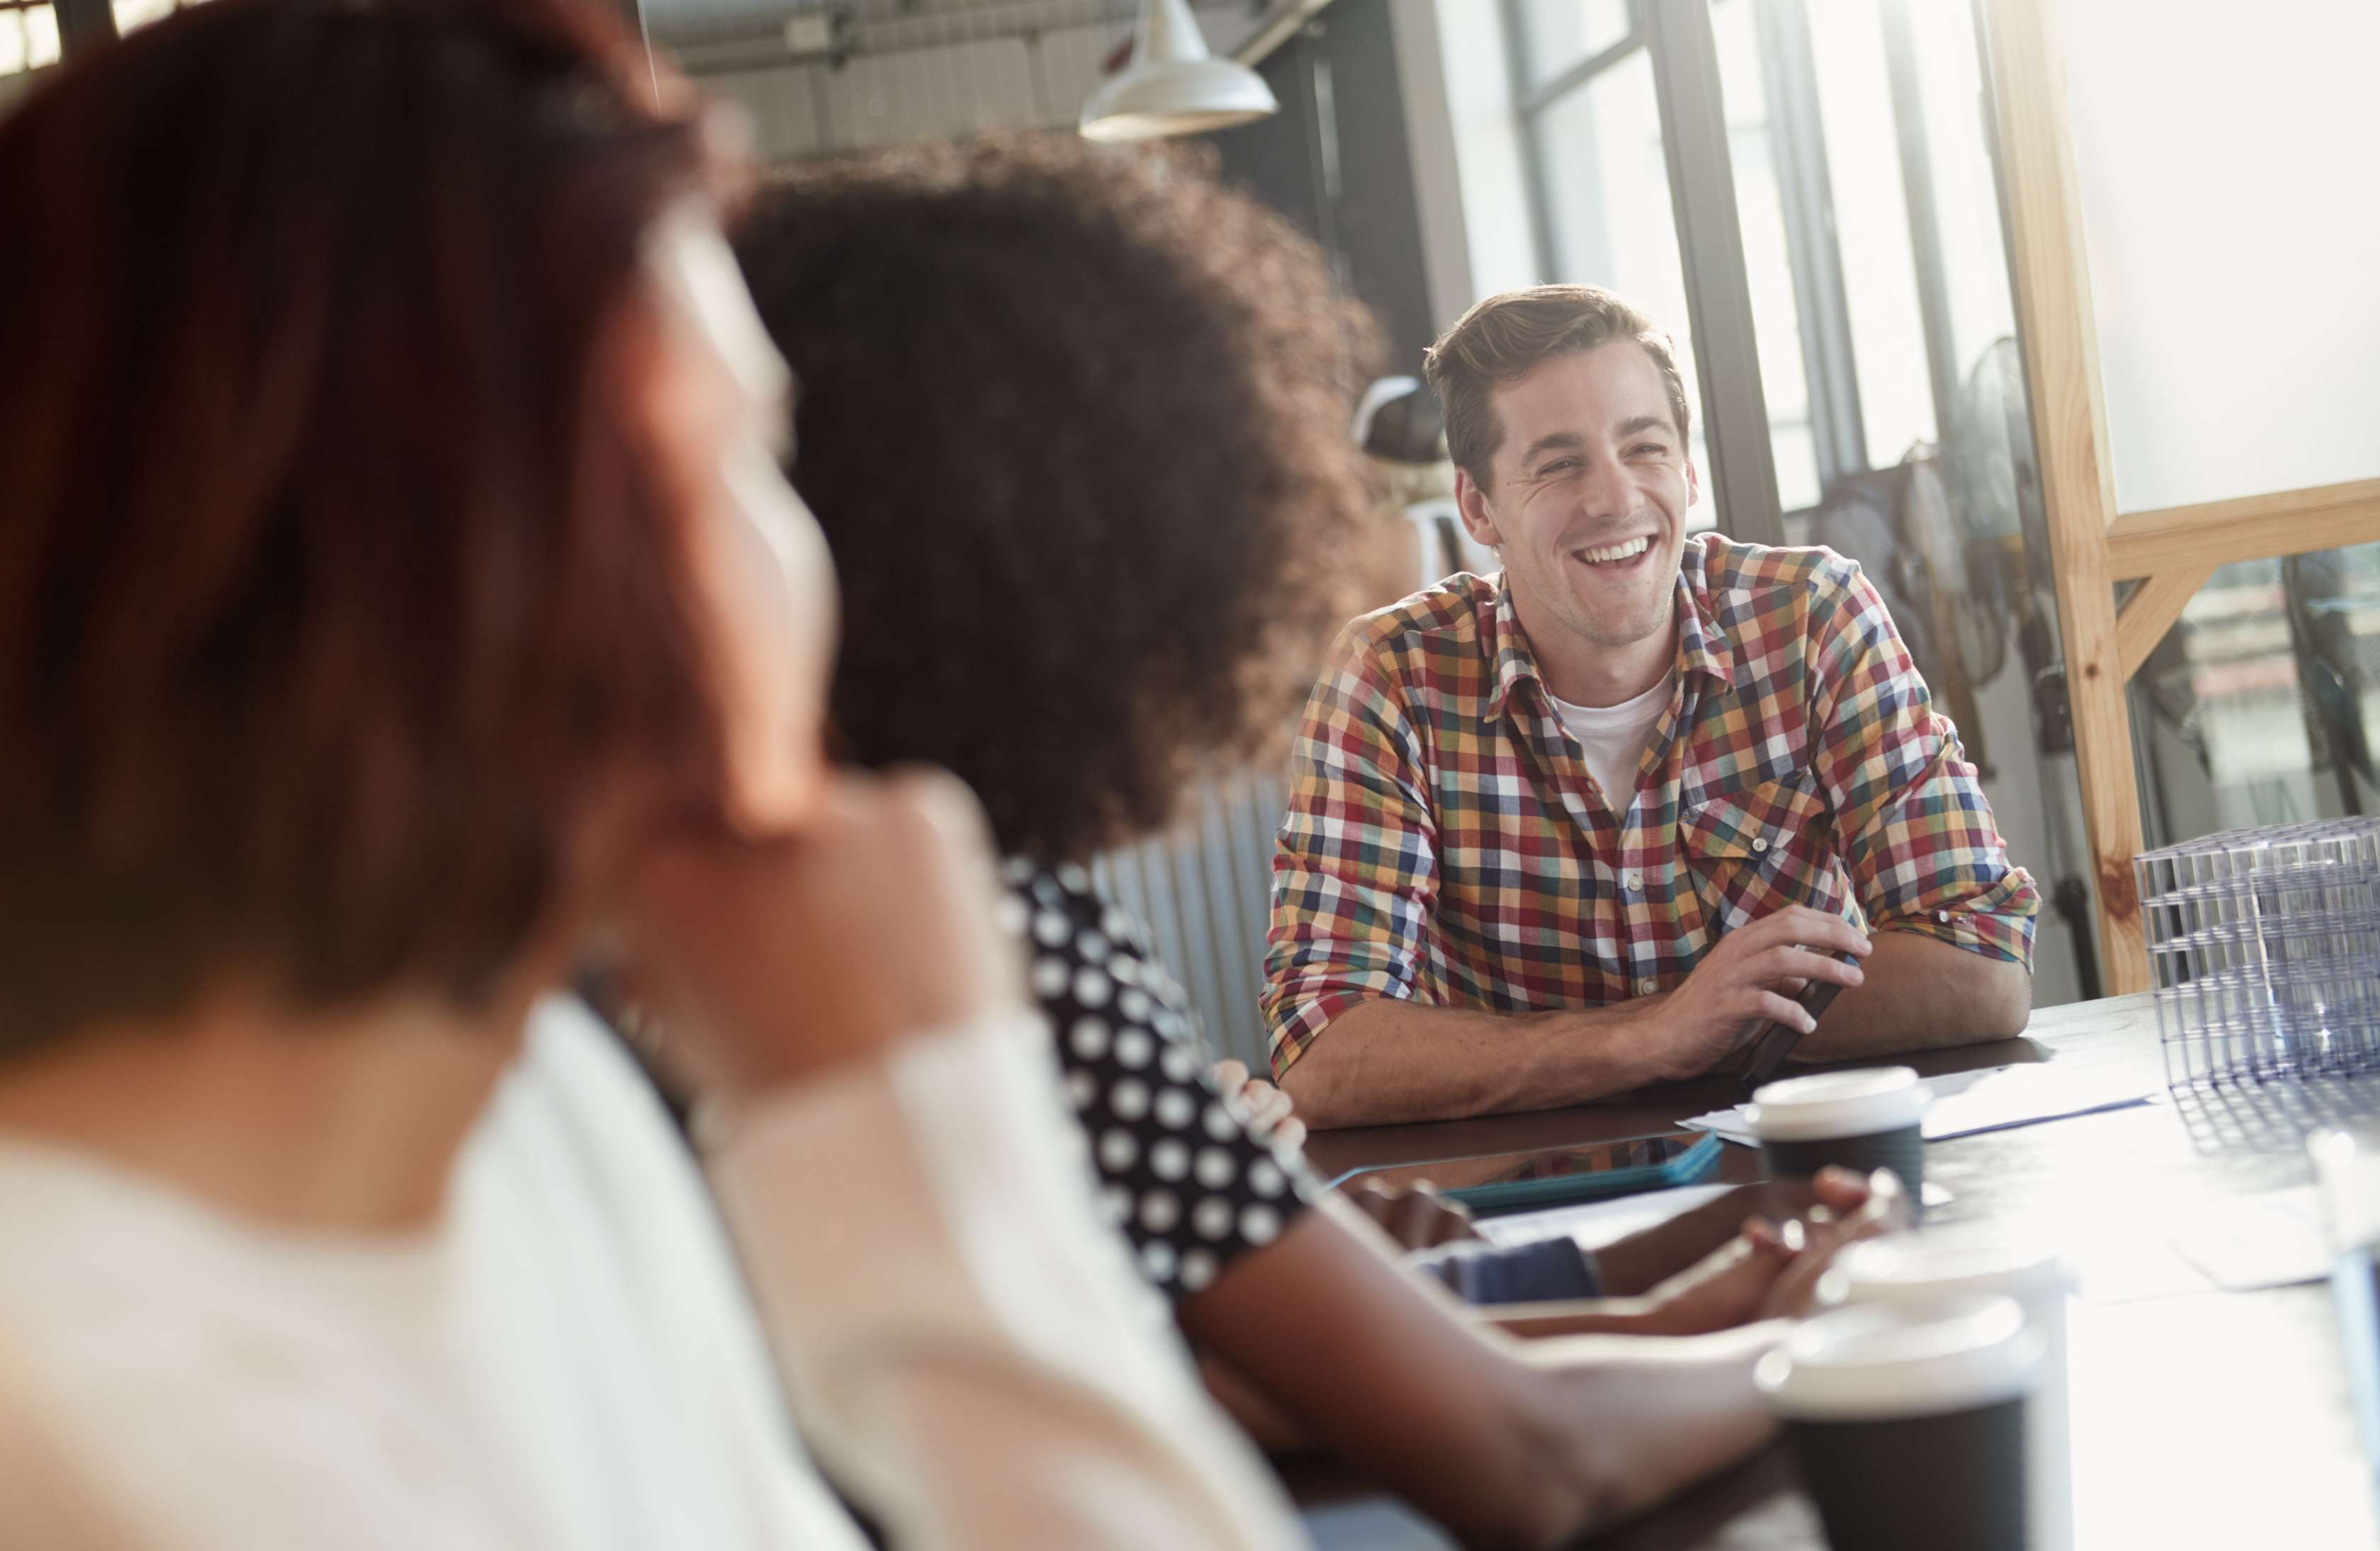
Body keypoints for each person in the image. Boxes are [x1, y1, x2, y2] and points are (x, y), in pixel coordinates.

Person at [0, 4, 1305, 1546]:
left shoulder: (534, 1125)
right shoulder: (93, 1429)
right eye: (751, 448)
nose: (811, 553)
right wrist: (933, 1136)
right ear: (510, 544)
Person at [736, 137, 1910, 1549]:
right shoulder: (975, 933)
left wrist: (1678, 1297)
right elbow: (1528, 1460)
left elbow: (1228, 1371)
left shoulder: (805, 905)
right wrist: (1830, 1332)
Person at [1264, 285, 2041, 1128]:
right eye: (1560, 463)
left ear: (1689, 468)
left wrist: (1719, 1031)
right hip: (1533, 1202)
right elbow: (1324, 1050)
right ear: (1478, 507)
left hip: (1805, 1162)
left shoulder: (1814, 616)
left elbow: (1983, 963)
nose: (1616, 498)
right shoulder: (1392, 677)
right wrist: (1650, 1037)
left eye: (1644, 447)